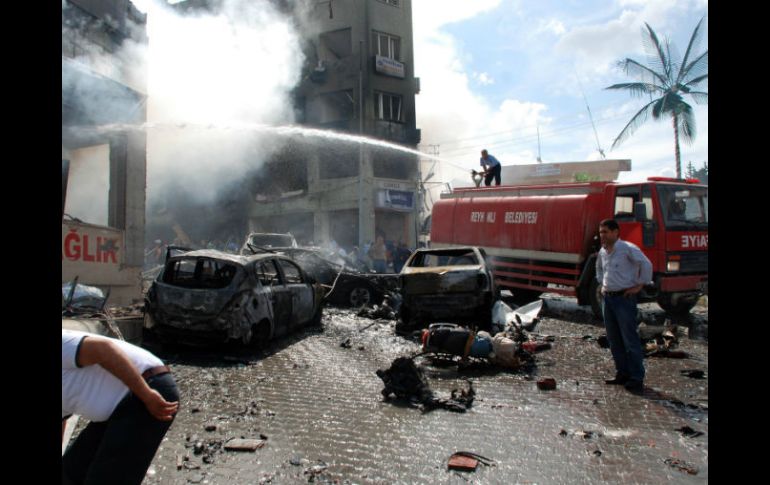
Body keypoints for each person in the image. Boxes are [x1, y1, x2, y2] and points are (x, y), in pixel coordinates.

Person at [62, 329, 179, 484]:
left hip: (146, 390)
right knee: (69, 473)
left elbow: (104, 349)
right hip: (118, 409)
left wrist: (147, 394)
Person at [596, 219, 653, 394]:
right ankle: (622, 373)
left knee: (630, 339)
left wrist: (639, 285)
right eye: (601, 232)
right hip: (608, 300)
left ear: (616, 232)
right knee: (614, 339)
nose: (602, 235)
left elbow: (646, 264)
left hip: (624, 299)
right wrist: (603, 285)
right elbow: (599, 269)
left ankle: (636, 378)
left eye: (605, 232)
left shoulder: (627, 248)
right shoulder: (603, 251)